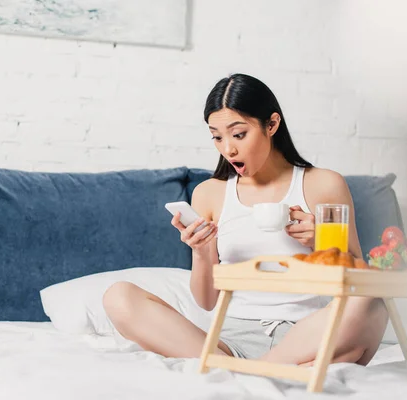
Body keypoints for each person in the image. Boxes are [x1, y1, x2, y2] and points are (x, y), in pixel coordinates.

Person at [102, 73, 388, 365]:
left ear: (272, 125)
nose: (228, 149)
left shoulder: (323, 184)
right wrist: (202, 253)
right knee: (118, 296)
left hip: (307, 335)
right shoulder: (209, 194)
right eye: (217, 137)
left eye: (239, 134)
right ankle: (254, 368)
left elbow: (358, 279)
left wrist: (321, 242)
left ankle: (252, 370)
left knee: (371, 301)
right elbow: (207, 301)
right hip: (228, 342)